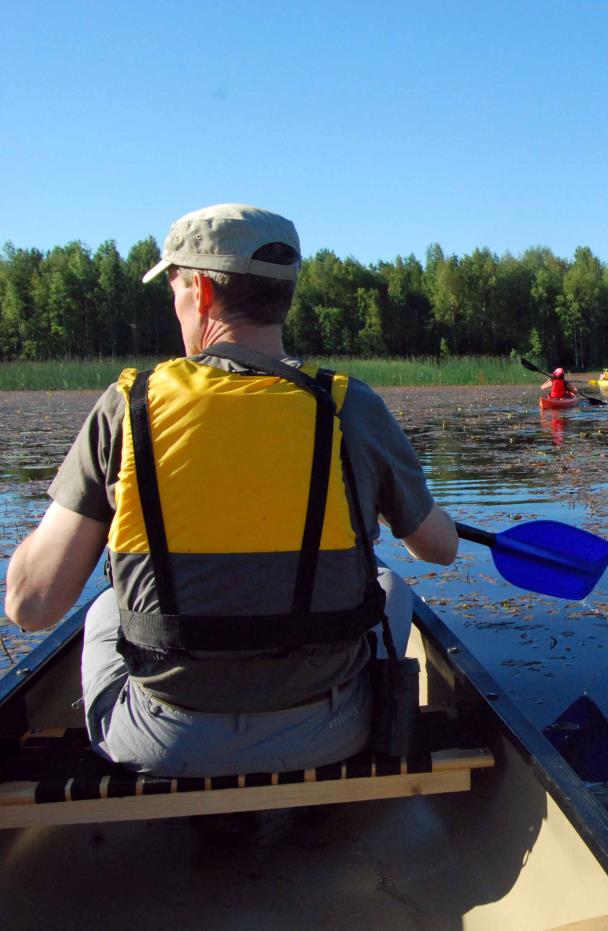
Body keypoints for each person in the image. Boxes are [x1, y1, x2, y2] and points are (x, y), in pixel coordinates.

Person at [3, 203, 459, 777]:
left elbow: (29, 606)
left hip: (159, 740)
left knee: (102, 611)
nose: (175, 304)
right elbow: (440, 548)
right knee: (389, 585)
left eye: (174, 287)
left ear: (202, 292)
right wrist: (400, 504)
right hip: (330, 733)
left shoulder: (128, 407)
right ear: (284, 294)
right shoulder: (351, 407)